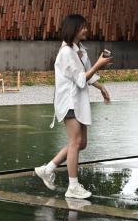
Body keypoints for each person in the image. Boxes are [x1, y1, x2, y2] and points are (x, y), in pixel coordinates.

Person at [33, 14, 112, 199]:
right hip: (69, 102)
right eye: (83, 26)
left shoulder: (80, 50)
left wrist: (101, 87)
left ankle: (47, 169)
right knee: (75, 143)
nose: (86, 30)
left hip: (77, 101)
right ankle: (73, 186)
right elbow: (80, 78)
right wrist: (98, 64)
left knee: (80, 143)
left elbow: (87, 74)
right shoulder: (66, 53)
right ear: (73, 29)